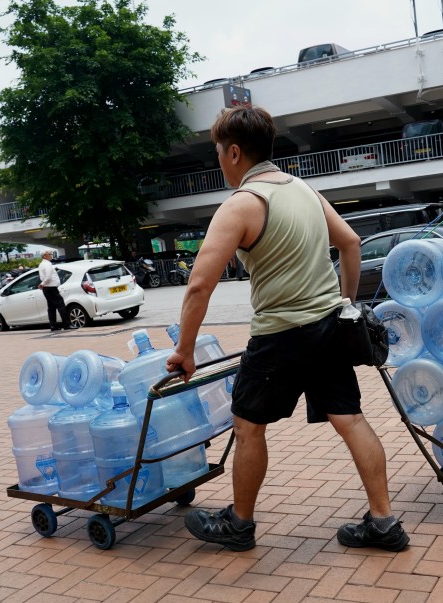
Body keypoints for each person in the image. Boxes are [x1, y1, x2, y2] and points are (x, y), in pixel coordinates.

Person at [165, 106, 408, 553]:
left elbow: (200, 284)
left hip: (280, 335)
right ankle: (383, 522)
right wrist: (345, 306)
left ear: (234, 152)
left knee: (248, 425)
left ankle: (239, 524)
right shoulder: (302, 189)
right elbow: (350, 243)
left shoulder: (243, 203)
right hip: (327, 327)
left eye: (219, 151)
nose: (219, 160)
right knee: (351, 419)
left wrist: (184, 350)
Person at [37, 250, 69, 331]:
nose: (51, 255)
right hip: (51, 287)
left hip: (47, 288)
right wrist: (43, 283)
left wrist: (43, 284)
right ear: (44, 256)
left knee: (51, 307)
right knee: (60, 305)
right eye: (49, 254)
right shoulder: (47, 264)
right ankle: (67, 324)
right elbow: (48, 277)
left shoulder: (41, 264)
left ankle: (53, 325)